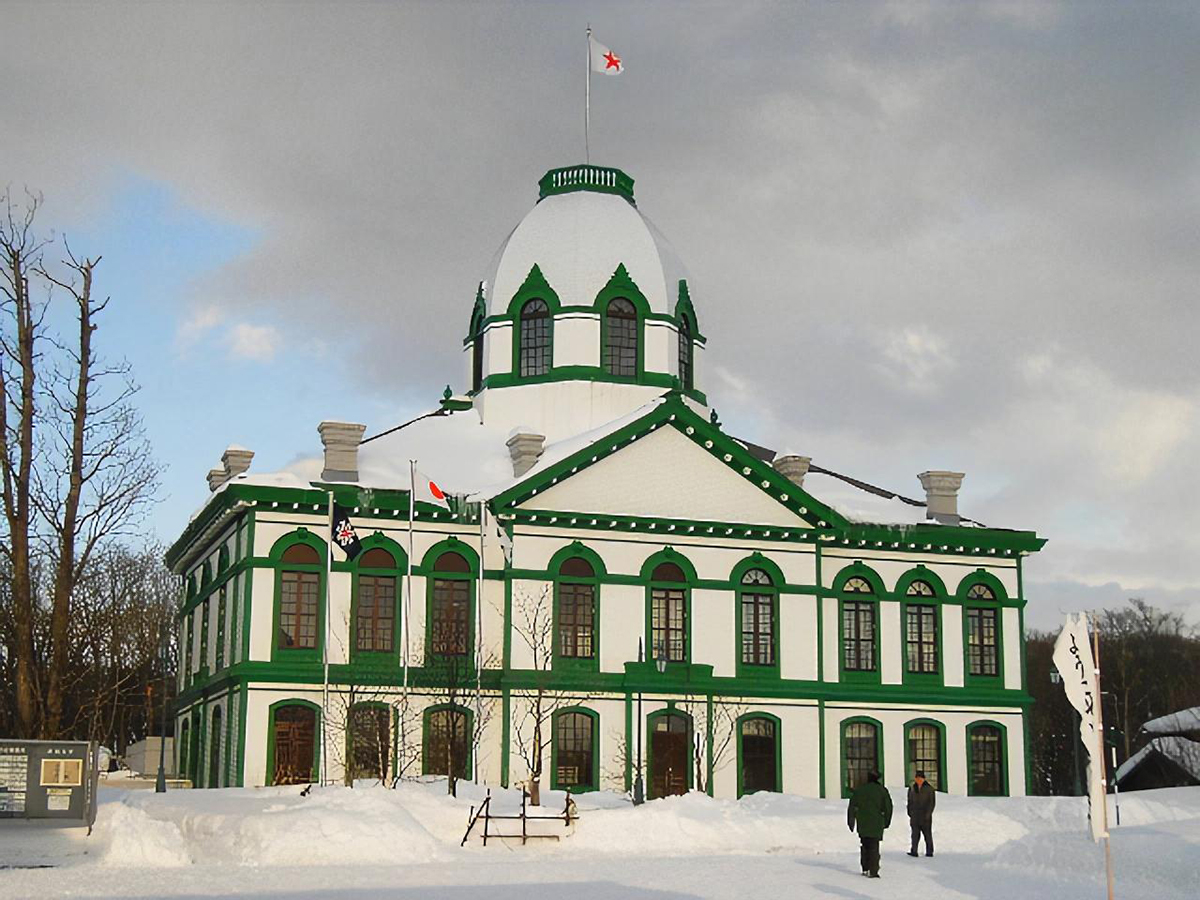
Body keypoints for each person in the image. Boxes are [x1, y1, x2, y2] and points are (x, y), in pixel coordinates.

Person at [847, 770, 893, 878]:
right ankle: (873, 870)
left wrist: (851, 821)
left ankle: (865, 867)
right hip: (876, 823)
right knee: (874, 846)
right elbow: (888, 807)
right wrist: (886, 822)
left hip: (862, 822)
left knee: (865, 844)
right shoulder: (881, 790)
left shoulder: (860, 790)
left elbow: (852, 806)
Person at [907, 769, 936, 858]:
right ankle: (914, 850)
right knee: (915, 834)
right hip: (915, 815)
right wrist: (910, 811)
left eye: (920, 778)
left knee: (927, 834)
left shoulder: (929, 789)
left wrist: (928, 814)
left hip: (925, 816)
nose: (919, 780)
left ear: (924, 779)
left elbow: (931, 803)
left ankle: (929, 851)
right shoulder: (912, 788)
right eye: (917, 778)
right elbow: (910, 801)